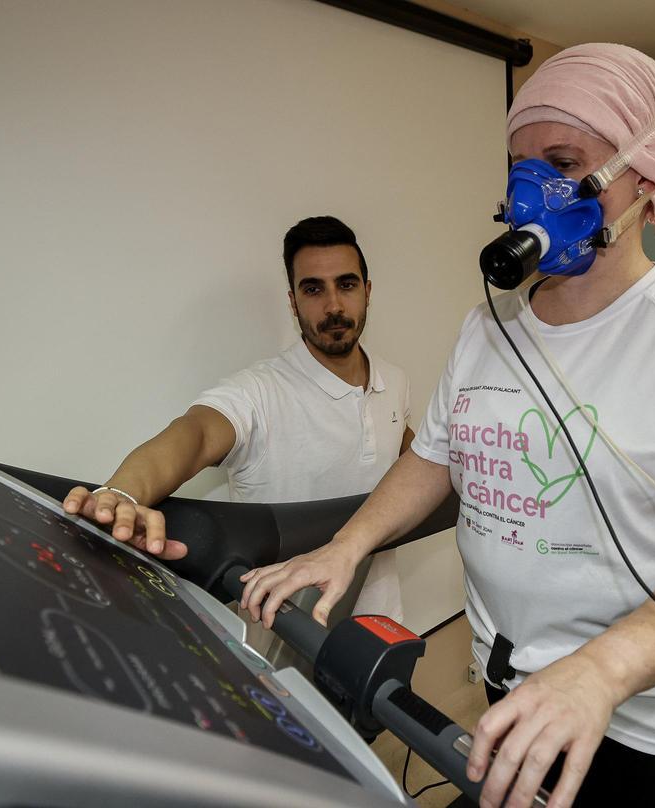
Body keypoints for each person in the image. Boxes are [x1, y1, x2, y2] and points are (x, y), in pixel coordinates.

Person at [238, 44, 655, 808]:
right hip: (506, 680)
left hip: (631, 715)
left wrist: (601, 672)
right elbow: (435, 457)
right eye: (519, 165)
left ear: (643, 175)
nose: (535, 189)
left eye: (564, 160)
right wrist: (348, 548)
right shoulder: (488, 326)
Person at [63, 215, 413, 630]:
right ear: (293, 301)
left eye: (347, 284)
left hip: (383, 620)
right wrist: (123, 492)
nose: (334, 305)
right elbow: (195, 433)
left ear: (368, 292)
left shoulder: (396, 381)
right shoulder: (258, 391)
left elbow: (412, 458)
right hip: (285, 636)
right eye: (313, 289)